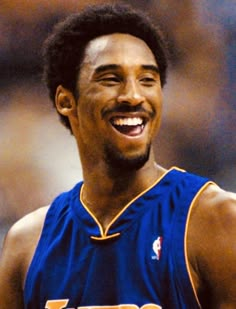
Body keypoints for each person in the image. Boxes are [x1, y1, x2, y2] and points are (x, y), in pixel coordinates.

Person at [0, 3, 235, 309]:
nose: (134, 96)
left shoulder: (217, 222)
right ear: (66, 101)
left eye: (148, 80)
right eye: (111, 79)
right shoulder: (26, 245)